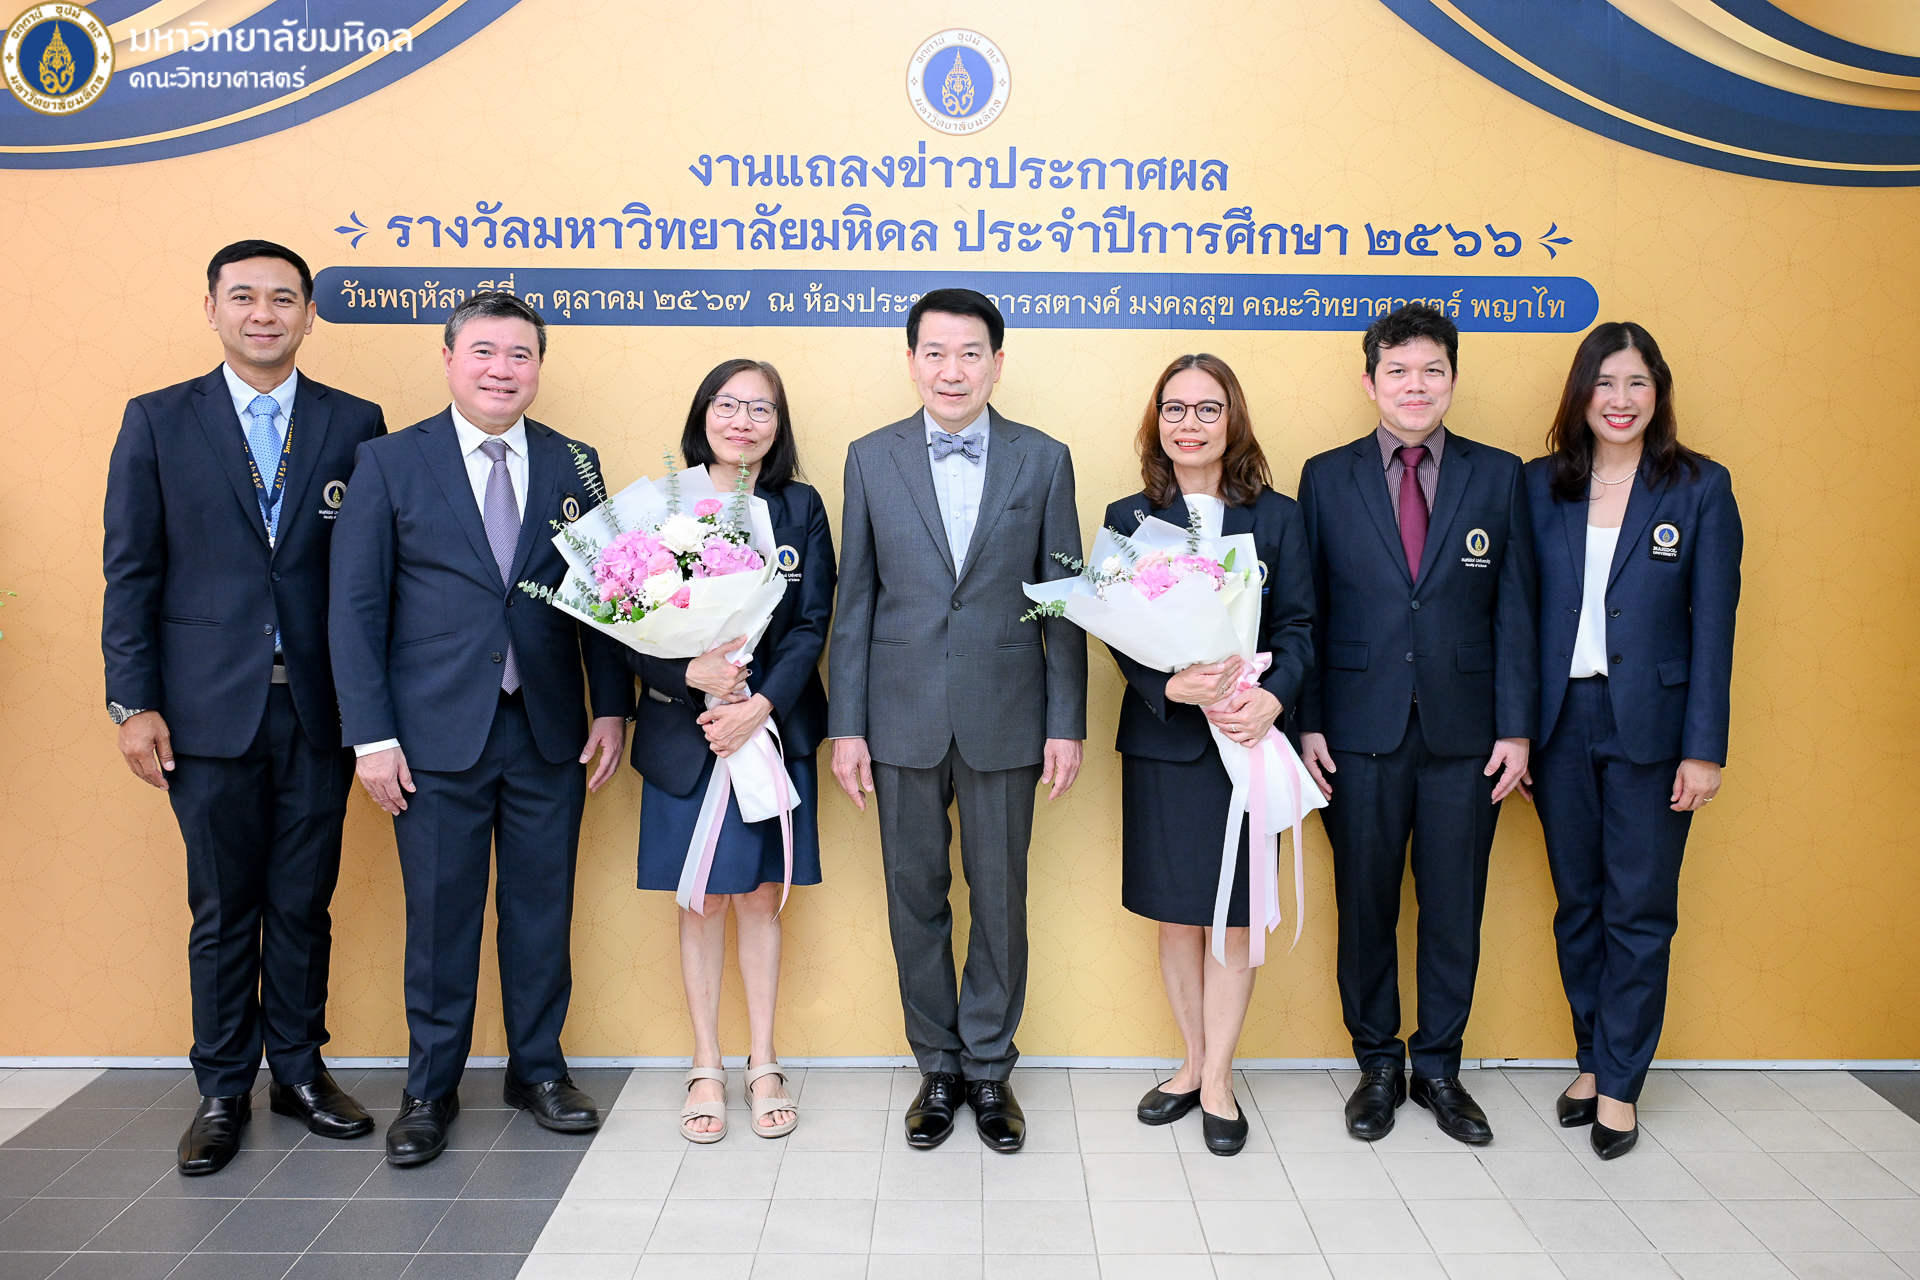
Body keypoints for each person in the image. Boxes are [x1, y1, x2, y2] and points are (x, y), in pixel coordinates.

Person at [328, 291, 632, 1167]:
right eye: (485, 352)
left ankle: (539, 1071)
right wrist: (371, 737)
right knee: (440, 919)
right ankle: (430, 1089)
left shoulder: (575, 462)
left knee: (541, 911)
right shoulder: (390, 460)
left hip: (547, 729)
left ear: (539, 367)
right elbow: (355, 608)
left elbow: (604, 594)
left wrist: (609, 705)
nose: (503, 370)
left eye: (520, 355)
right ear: (450, 358)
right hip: (430, 739)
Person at [103, 240, 386, 1176]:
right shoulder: (158, 419)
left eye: (283, 299)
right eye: (244, 297)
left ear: (309, 314)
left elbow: (370, 574)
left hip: (319, 707)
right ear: (213, 309)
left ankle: (300, 1072)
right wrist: (133, 702)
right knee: (224, 906)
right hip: (204, 710)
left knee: (303, 901)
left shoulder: (355, 421)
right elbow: (131, 571)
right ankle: (223, 1088)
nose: (264, 314)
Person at [828, 288, 1086, 1153]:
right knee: (915, 897)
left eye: (970, 353)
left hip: (1007, 713)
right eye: (935, 353)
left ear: (997, 363)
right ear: (911, 362)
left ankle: (989, 1070)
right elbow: (854, 602)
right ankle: (936, 1067)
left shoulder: (1043, 459)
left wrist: (1066, 721)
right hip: (897, 716)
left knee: (1001, 898)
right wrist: (848, 726)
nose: (952, 369)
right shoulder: (871, 458)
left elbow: (1062, 602)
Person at [1296, 303, 1538, 1146]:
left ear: (1453, 380)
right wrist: (1309, 722)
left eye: (1431, 370)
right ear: (1370, 383)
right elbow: (1308, 611)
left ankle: (1439, 1066)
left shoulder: (1499, 475)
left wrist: (1517, 729)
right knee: (1364, 905)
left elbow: (1517, 609)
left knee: (1453, 907)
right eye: (1397, 371)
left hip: (1467, 736)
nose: (1415, 385)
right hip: (1354, 733)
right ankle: (1376, 1065)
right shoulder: (1325, 477)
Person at [1522, 322, 1741, 1159]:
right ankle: (1592, 1057)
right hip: (1560, 724)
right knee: (1578, 905)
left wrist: (1704, 748)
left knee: (1639, 909)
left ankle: (1620, 1083)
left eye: (1637, 383)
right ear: (1581, 393)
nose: (1620, 400)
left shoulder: (1699, 487)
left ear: (1659, 393)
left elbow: (1713, 626)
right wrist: (1519, 730)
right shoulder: (1541, 485)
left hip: (1654, 728)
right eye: (1605, 383)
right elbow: (1517, 614)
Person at [1104, 354, 1314, 1157]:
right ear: (1156, 420)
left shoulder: (1279, 517)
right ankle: (1190, 1063)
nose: (1189, 424)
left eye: (1207, 409)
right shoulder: (1128, 516)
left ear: (1234, 420)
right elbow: (1115, 631)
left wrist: (1274, 697)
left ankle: (1219, 1077)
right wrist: (1167, 684)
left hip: (1246, 737)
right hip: (1166, 742)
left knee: (1236, 915)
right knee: (1178, 914)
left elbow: (1300, 626)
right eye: (1175, 408)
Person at [622, 359, 836, 1143]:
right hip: (685, 735)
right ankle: (706, 1063)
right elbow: (619, 621)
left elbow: (812, 620)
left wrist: (759, 705)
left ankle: (765, 1061)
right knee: (701, 899)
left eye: (761, 409)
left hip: (769, 731)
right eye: (727, 404)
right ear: (702, 414)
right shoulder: (659, 505)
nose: (743, 421)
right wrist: (689, 674)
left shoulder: (800, 506)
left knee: (760, 896)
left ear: (779, 425)